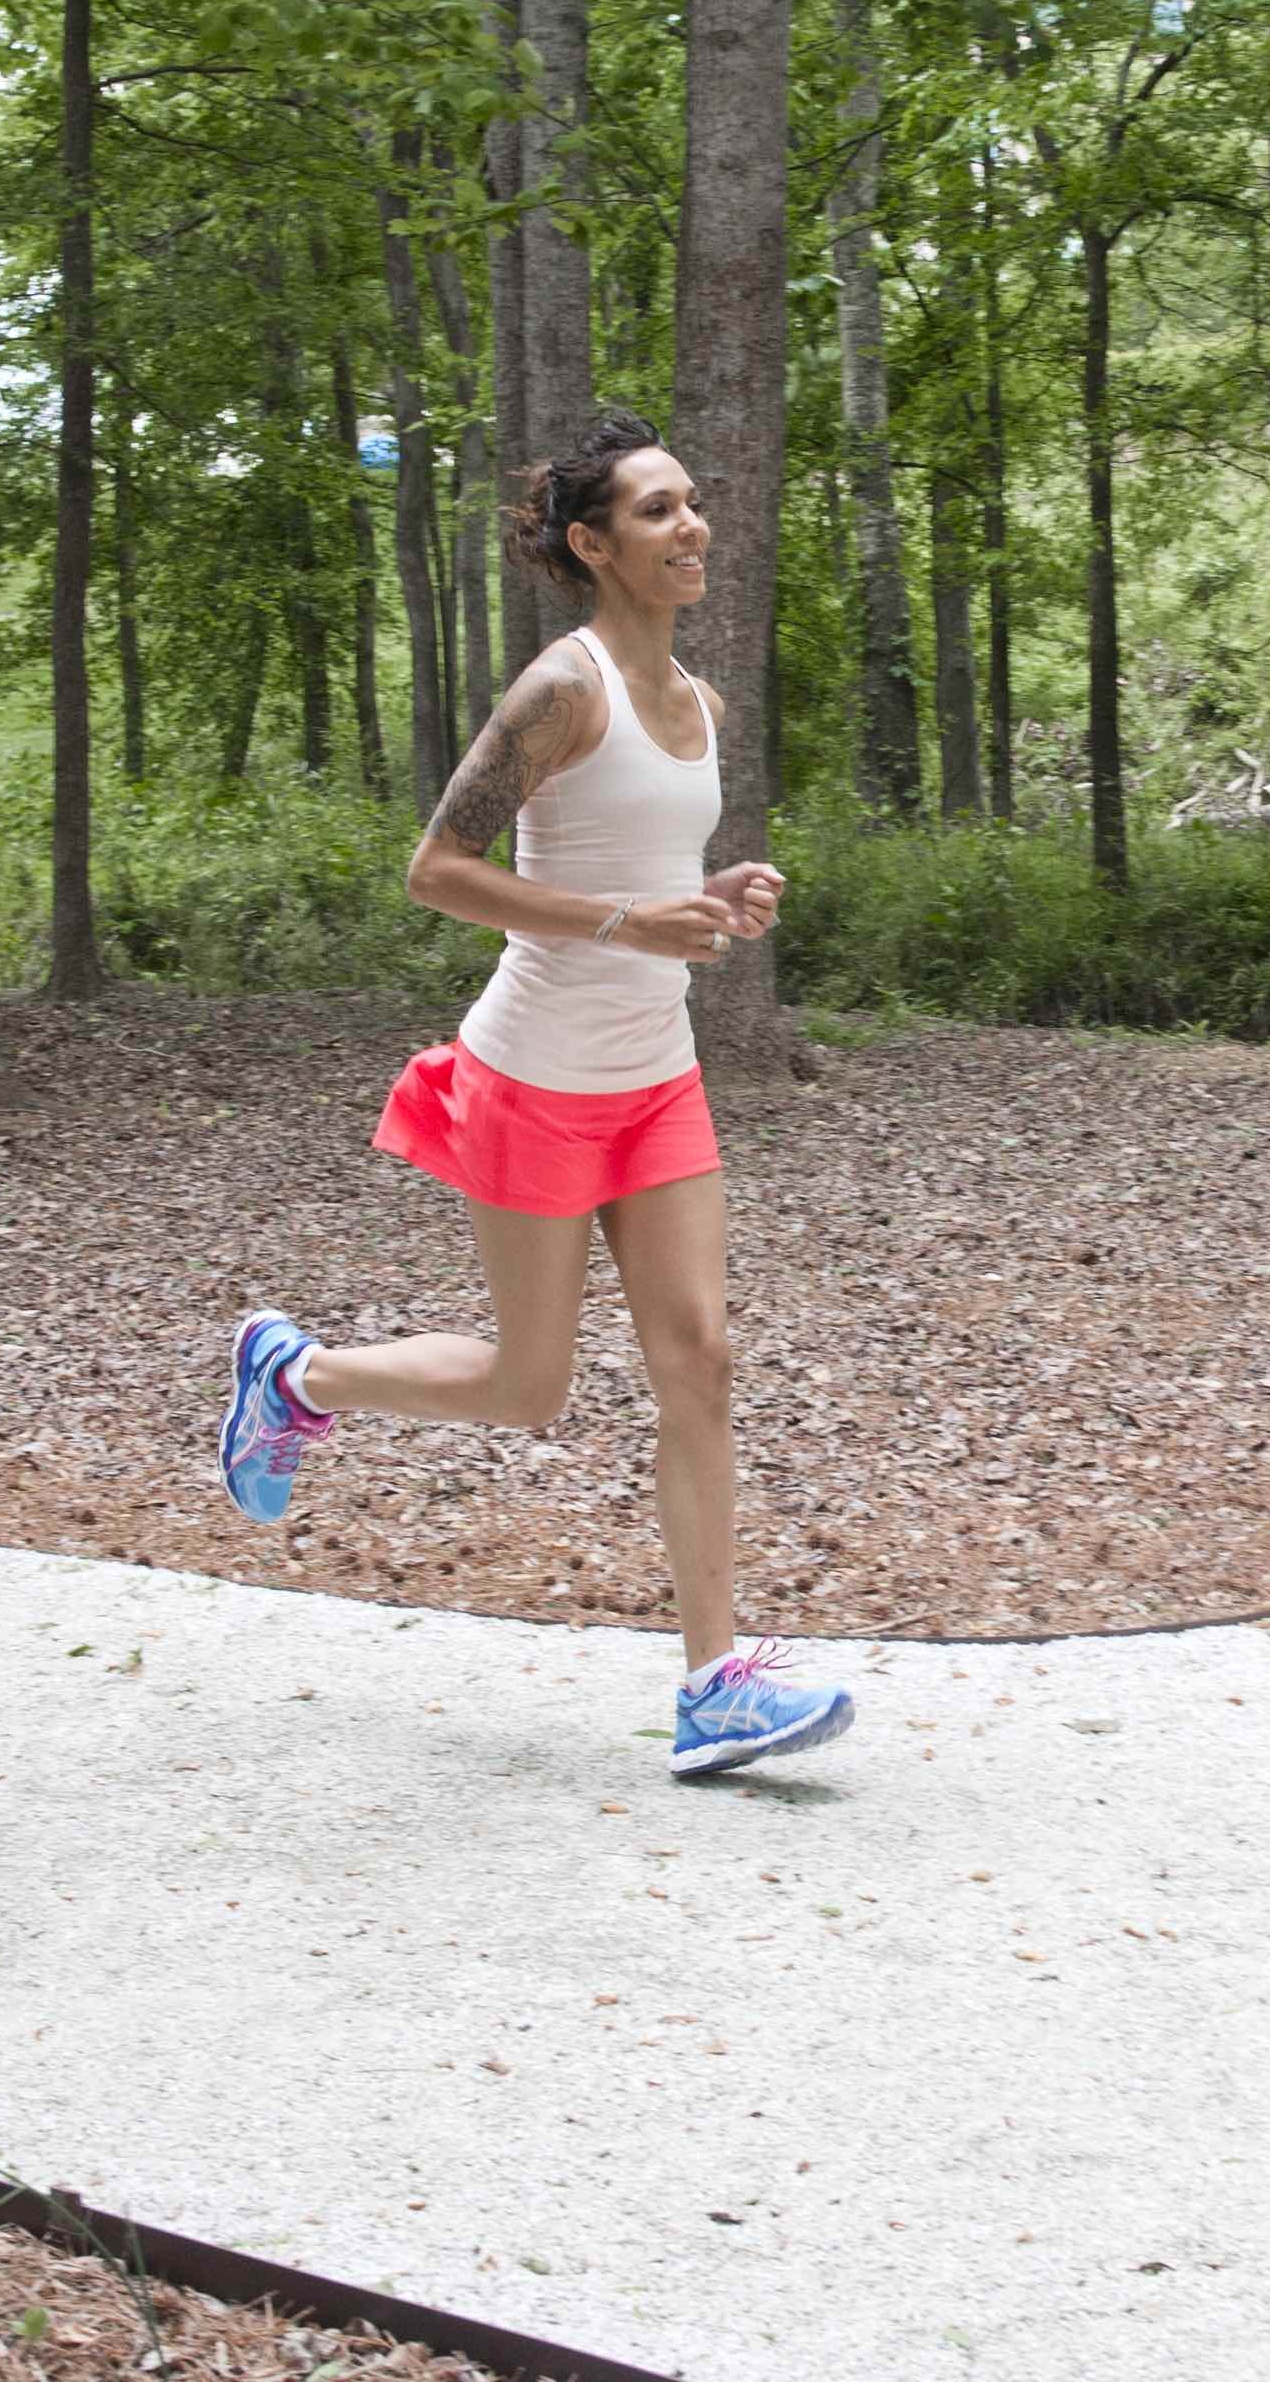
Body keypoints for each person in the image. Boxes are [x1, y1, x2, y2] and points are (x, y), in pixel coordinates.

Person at [217, 410, 849, 1780]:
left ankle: (714, 1684)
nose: (692, 528)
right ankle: (294, 1373)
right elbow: (435, 871)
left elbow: (650, 861)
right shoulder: (557, 693)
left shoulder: (701, 700)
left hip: (657, 1081)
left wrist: (719, 899)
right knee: (527, 1385)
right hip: (537, 1076)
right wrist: (624, 925)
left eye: (694, 503)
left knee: (702, 1361)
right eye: (658, 510)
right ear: (590, 543)